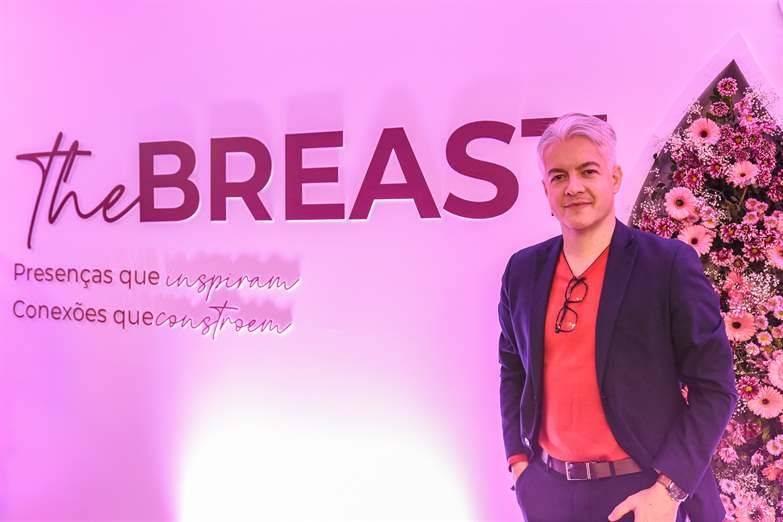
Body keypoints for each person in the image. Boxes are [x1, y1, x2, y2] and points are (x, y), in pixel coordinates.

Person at [497, 113, 738, 521]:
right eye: (559, 176)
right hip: (549, 494)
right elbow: (513, 370)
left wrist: (668, 491)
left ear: (615, 177)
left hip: (644, 493)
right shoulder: (523, 271)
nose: (573, 187)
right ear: (545, 189)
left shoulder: (667, 265)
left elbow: (715, 388)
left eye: (587, 171)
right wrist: (519, 464)